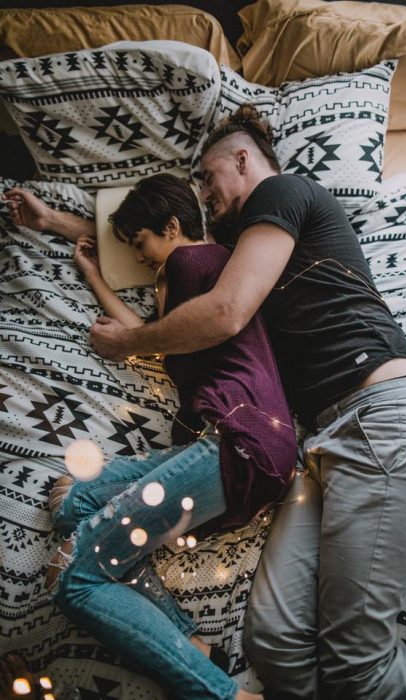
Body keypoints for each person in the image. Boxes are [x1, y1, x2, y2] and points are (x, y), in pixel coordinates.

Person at [4, 104, 406, 699]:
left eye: (208, 177)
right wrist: (55, 225)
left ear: (243, 160)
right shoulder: (229, 248)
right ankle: (202, 653)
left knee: (359, 667)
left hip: (382, 413)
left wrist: (129, 342)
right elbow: (155, 242)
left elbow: (225, 311)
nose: (204, 192)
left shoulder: (284, 192)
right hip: (315, 447)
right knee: (275, 646)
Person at [4, 174, 297, 700]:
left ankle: (221, 694)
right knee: (72, 502)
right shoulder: (193, 278)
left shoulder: (192, 260)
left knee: (71, 577)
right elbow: (153, 338)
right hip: (234, 447)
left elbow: (154, 335)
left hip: (238, 440)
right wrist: (91, 273)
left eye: (142, 244)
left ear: (173, 225)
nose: (139, 260)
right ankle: (194, 645)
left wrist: (84, 252)